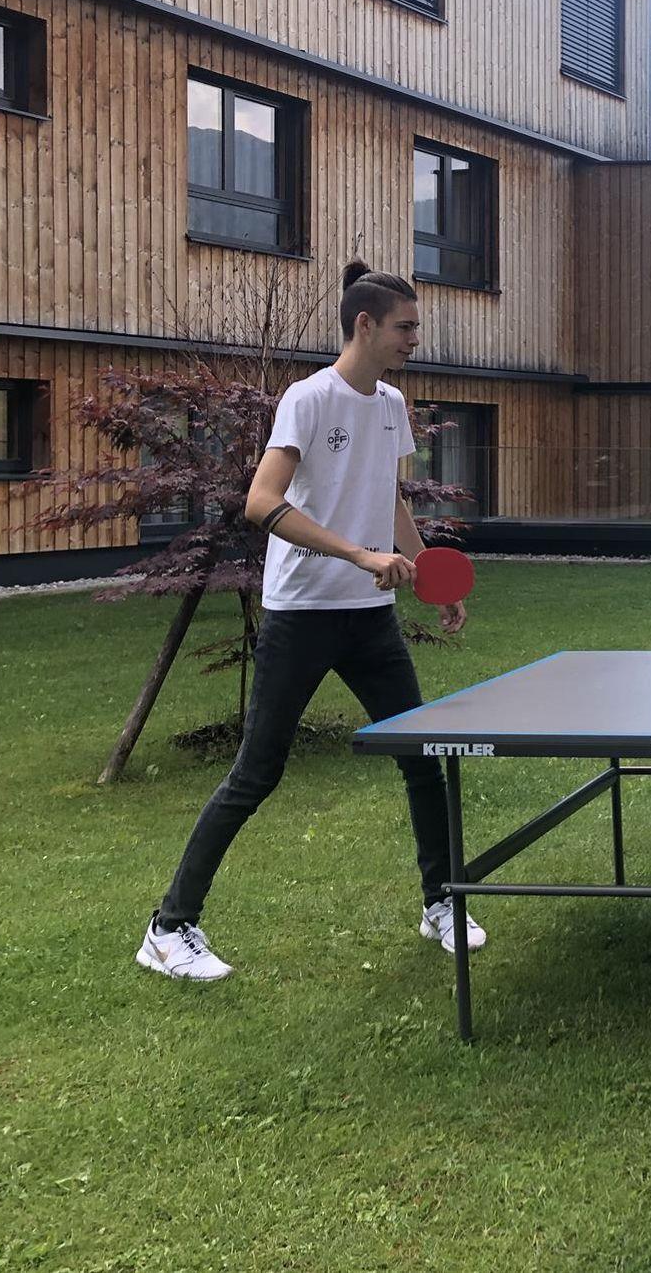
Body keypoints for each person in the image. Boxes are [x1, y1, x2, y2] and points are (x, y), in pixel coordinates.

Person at [135, 262, 482, 981]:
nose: (415, 339)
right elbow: (261, 502)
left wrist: (430, 576)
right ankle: (168, 928)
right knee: (256, 774)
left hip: (371, 620)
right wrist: (357, 553)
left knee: (424, 758)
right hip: (302, 615)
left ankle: (441, 902)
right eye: (405, 327)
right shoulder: (309, 398)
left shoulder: (392, 403)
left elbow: (388, 497)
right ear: (365, 325)